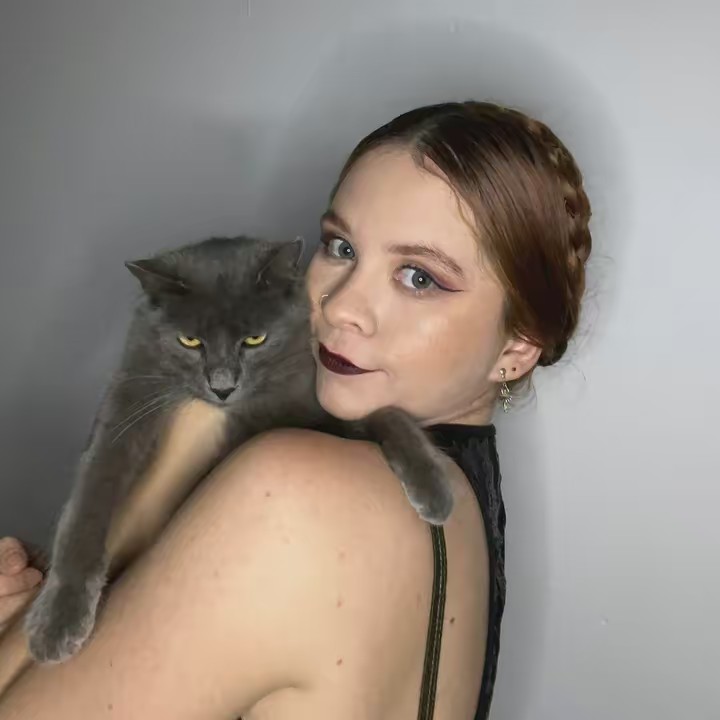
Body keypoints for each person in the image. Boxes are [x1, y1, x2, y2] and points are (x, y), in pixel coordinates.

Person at [0, 101, 591, 719]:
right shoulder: (460, 512)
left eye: (419, 277)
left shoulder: (298, 494)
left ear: (517, 348)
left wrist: (155, 478)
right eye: (341, 247)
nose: (339, 306)